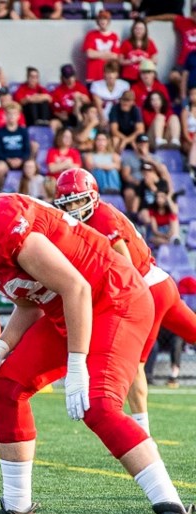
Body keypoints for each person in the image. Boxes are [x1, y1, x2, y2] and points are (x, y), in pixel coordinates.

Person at [0, 161, 195, 514]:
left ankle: (175, 512)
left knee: (99, 405)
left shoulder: (0, 222)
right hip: (69, 309)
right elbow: (29, 298)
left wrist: (77, 364)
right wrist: (3, 345)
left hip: (113, 300)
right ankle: (17, 511)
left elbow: (75, 286)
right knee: (7, 386)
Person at [54, 167, 196, 436]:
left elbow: (126, 269)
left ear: (92, 198)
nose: (73, 207)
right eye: (68, 202)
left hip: (146, 287)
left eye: (77, 201)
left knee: (135, 367)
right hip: (160, 281)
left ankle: (142, 434)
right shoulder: (98, 214)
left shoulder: (103, 218)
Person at [0, 102, 32, 192]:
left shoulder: (23, 131)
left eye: (14, 114)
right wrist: (8, 160)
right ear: (5, 116)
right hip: (6, 160)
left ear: (18, 116)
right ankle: (0, 191)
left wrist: (20, 160)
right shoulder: (0, 131)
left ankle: (28, 192)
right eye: (9, 114)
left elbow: (27, 150)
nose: (12, 116)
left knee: (30, 165)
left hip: (21, 160)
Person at [83, 10, 120, 84]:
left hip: (108, 75)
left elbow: (115, 56)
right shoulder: (91, 35)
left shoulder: (114, 36)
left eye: (105, 19)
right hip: (93, 74)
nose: (103, 21)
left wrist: (96, 54)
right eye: (101, 19)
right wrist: (107, 54)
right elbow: (89, 54)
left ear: (108, 21)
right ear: (97, 21)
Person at [120, 19, 158, 84]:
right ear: (133, 30)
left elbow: (155, 61)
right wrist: (130, 61)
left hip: (145, 76)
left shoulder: (150, 43)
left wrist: (146, 60)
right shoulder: (126, 43)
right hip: (129, 76)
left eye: (141, 29)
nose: (138, 31)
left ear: (145, 31)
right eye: (136, 28)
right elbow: (120, 61)